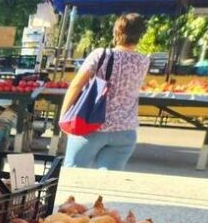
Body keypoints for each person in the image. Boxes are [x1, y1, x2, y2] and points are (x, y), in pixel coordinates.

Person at [59, 13, 150, 169]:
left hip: (91, 126)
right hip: (125, 131)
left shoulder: (101, 55)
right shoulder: (144, 60)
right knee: (106, 185)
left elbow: (76, 85)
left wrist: (63, 116)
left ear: (116, 32)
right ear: (140, 35)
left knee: (73, 178)